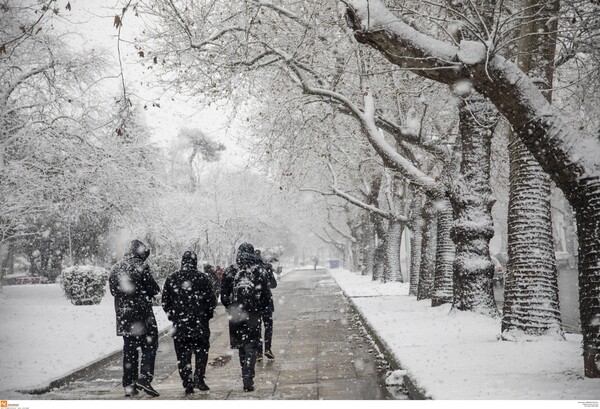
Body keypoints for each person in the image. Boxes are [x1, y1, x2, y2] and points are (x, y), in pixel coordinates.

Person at [109, 239, 161, 397]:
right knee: (149, 345)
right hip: (142, 314)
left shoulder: (115, 268)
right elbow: (153, 288)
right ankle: (144, 378)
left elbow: (113, 291)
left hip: (125, 315)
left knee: (130, 350)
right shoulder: (141, 266)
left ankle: (129, 384)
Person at [162, 251, 217, 395]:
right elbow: (211, 300)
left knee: (182, 354)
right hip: (200, 323)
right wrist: (206, 315)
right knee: (201, 351)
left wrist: (173, 316)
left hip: (180, 325)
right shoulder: (203, 278)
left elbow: (165, 302)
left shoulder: (172, 278)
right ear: (195, 262)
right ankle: (199, 377)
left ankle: (187, 381)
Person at [221, 243, 269, 392]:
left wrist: (232, 307)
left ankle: (245, 373)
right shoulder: (259, 271)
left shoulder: (230, 271)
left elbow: (223, 296)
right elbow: (266, 296)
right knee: (252, 346)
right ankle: (248, 375)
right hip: (253, 313)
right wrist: (259, 308)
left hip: (236, 314)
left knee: (242, 346)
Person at [254, 249, 277, 361]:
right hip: (267, 301)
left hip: (255, 303)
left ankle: (258, 352)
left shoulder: (250, 270)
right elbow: (274, 284)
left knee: (257, 327)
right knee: (268, 326)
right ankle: (267, 348)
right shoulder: (266, 268)